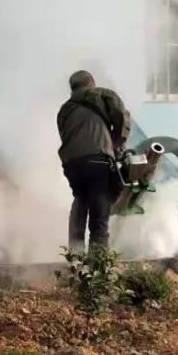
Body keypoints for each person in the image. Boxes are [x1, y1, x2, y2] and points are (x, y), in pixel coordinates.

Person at [57, 70, 130, 251]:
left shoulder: (64, 110)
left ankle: (75, 253)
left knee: (81, 199)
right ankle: (98, 259)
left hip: (72, 163)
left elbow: (65, 135)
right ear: (91, 83)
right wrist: (117, 142)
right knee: (99, 206)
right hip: (98, 159)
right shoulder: (102, 94)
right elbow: (121, 116)